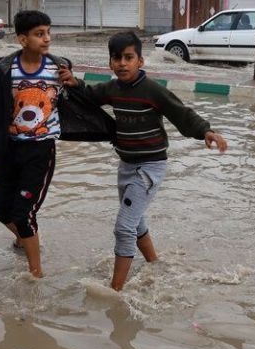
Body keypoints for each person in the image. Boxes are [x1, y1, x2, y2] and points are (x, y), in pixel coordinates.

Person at [59, 32, 228, 291]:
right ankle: (154, 264)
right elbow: (90, 95)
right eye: (117, 58)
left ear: (140, 61)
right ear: (110, 63)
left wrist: (206, 131)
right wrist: (73, 82)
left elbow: (180, 113)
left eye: (129, 58)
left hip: (151, 167)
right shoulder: (113, 88)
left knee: (124, 226)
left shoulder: (153, 90)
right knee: (135, 221)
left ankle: (115, 291)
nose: (122, 64)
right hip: (125, 166)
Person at [0, 11, 103, 278]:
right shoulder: (6, 70)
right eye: (40, 34)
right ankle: (24, 240)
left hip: (40, 150)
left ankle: (35, 275)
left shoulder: (58, 69)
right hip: (8, 149)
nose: (47, 39)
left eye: (48, 32)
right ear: (22, 39)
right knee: (0, 209)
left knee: (24, 214)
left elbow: (83, 99)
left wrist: (77, 83)